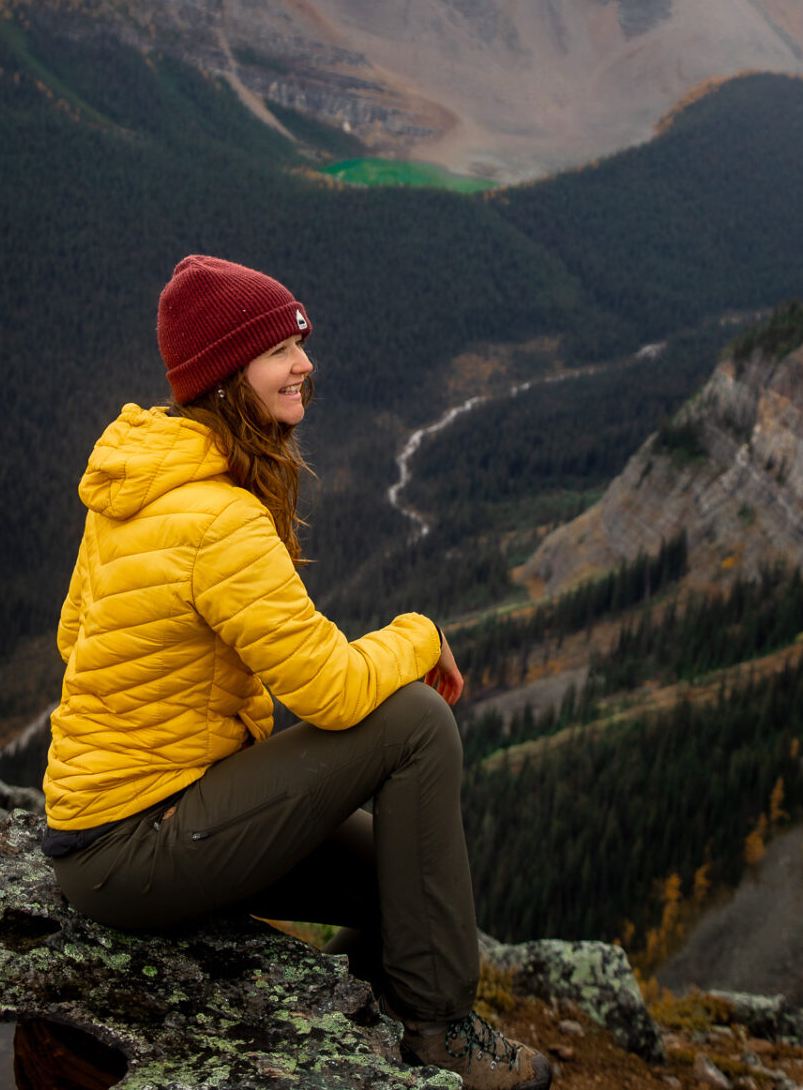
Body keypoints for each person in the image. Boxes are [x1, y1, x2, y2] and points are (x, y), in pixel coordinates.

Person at [43, 253, 549, 1090]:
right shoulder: (220, 518)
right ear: (225, 374)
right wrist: (422, 635)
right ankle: (442, 1032)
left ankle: (376, 1002)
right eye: (280, 349)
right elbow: (334, 693)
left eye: (299, 342)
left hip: (120, 829)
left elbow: (74, 638)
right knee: (417, 723)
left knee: (408, 875)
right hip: (134, 847)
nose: (304, 363)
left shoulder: (140, 482)